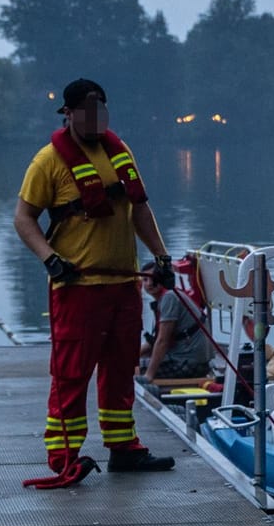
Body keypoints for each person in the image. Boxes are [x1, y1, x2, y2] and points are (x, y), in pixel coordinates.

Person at [14, 78, 177, 487]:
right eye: (84, 111)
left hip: (124, 286)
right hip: (77, 289)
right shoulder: (47, 162)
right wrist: (50, 260)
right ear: (67, 114)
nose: (93, 118)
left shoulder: (119, 155)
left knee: (121, 370)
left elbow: (139, 209)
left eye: (99, 110)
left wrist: (160, 255)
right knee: (71, 374)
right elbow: (23, 219)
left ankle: (124, 449)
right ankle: (63, 458)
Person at [141, 262, 213, 381]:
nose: (149, 283)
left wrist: (148, 375)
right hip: (188, 358)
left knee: (134, 369)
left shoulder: (169, 297)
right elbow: (154, 341)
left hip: (190, 363)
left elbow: (162, 341)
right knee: (131, 363)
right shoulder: (167, 296)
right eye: (145, 279)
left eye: (153, 278)